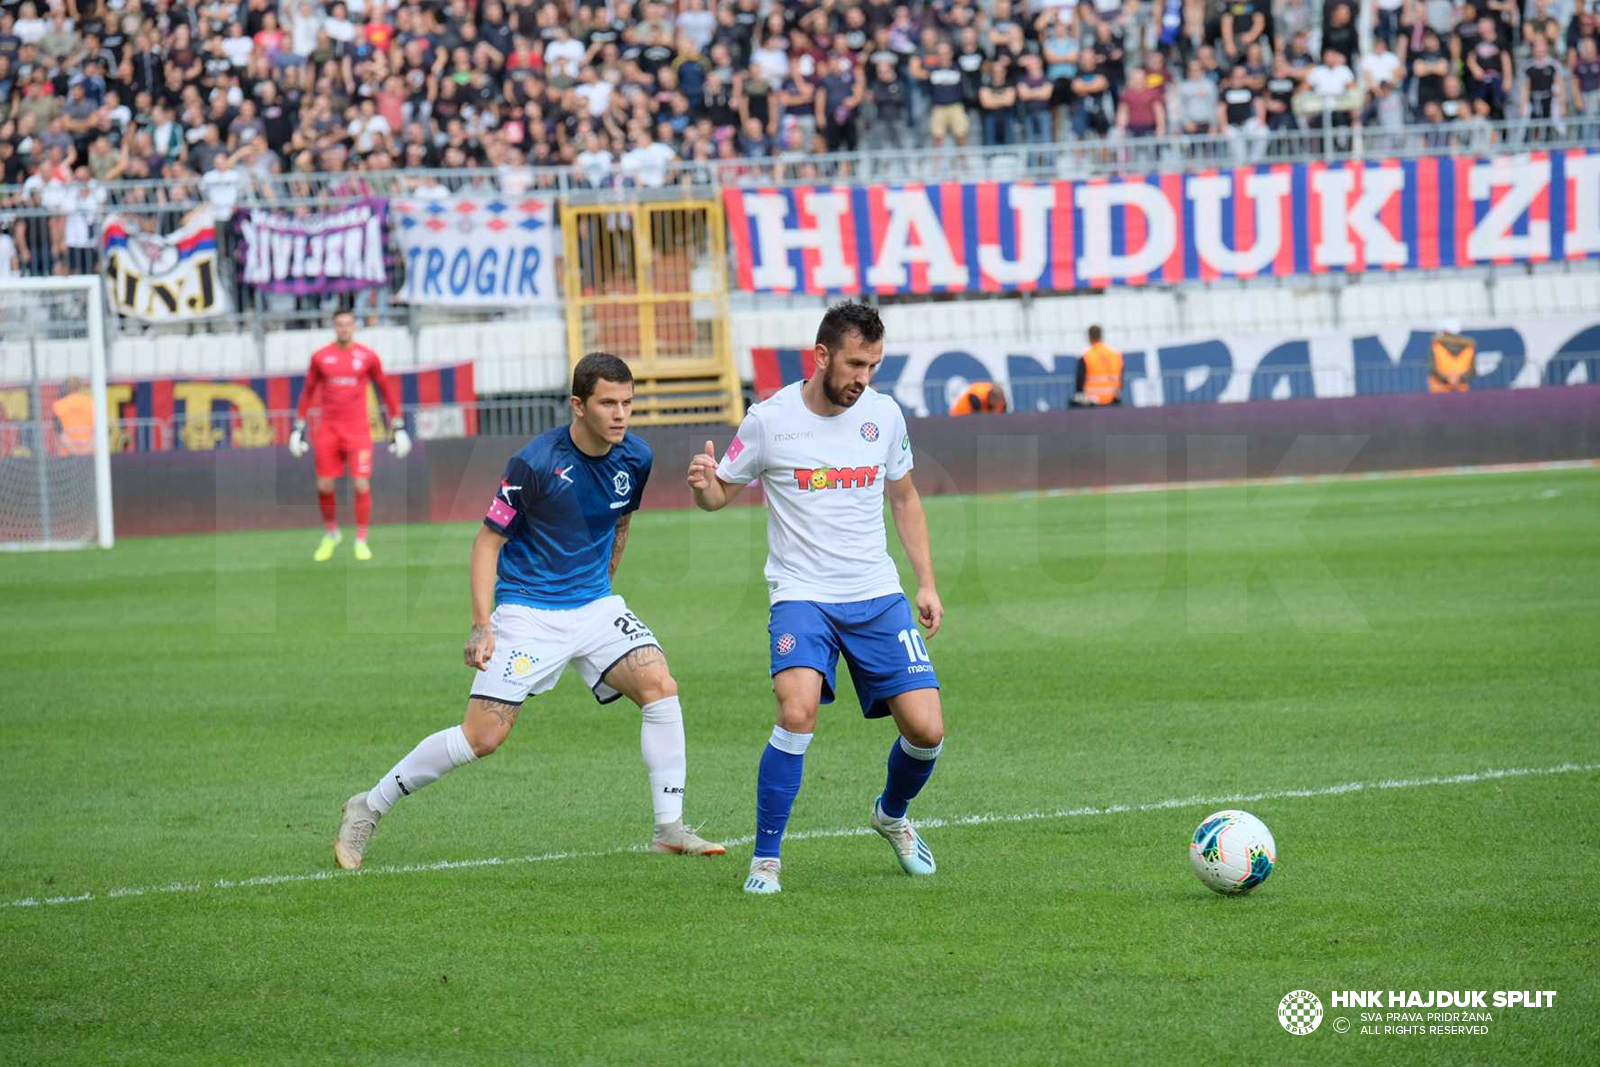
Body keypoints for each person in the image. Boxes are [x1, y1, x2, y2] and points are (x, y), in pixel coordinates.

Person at [333, 353, 725, 869]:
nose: (620, 414)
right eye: (608, 403)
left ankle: (669, 826)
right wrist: (481, 625)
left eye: (628, 403)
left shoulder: (637, 457)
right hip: (528, 612)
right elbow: (486, 542)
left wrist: (602, 591)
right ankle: (369, 805)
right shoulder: (536, 462)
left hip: (595, 607)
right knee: (483, 736)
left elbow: (621, 524)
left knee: (660, 684)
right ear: (578, 406)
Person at [688, 301, 945, 896]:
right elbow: (720, 493)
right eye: (856, 364)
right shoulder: (770, 420)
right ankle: (767, 859)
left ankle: (891, 815)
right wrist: (705, 486)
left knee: (927, 731)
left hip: (877, 595)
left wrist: (925, 580)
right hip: (802, 596)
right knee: (796, 709)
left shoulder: (884, 415)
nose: (864, 379)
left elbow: (903, 499)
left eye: (874, 366)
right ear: (822, 356)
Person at [288, 310, 411, 562]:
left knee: (361, 484)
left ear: (354, 327)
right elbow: (308, 391)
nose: (344, 328)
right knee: (323, 485)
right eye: (339, 324)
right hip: (328, 431)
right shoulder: (321, 357)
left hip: (357, 431)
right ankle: (332, 533)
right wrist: (298, 427)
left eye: (348, 324)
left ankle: (361, 540)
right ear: (334, 327)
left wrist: (397, 426)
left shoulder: (367, 356)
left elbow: (385, 390)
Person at [1072, 325, 1124, 406]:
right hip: (1113, 399)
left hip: (1091, 401)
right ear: (1101, 336)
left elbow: (1080, 380)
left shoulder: (1086, 356)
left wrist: (1079, 394)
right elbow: (1120, 376)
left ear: (1089, 337)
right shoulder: (1115, 355)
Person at [51, 376, 95, 455]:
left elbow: (59, 431)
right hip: (90, 452)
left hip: (67, 453)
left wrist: (73, 450)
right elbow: (98, 430)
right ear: (80, 387)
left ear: (65, 388)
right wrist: (87, 449)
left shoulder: (58, 406)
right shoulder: (91, 403)